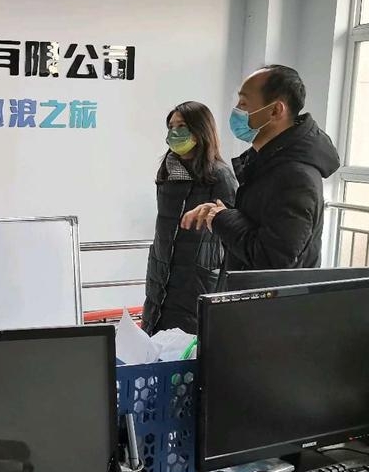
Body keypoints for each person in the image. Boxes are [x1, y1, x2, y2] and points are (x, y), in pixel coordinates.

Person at [180, 65, 340, 271]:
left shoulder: (295, 177)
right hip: (247, 289)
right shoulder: (267, 164)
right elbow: (259, 224)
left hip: (269, 293)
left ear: (275, 110)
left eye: (243, 103)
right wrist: (220, 213)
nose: (236, 111)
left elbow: (273, 259)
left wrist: (221, 218)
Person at [142, 101, 237, 335]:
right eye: (171, 126)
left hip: (197, 282)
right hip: (161, 277)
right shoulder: (167, 172)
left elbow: (232, 236)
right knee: (155, 340)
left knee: (188, 346)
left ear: (200, 129)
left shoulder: (220, 176)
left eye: (182, 126)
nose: (174, 132)